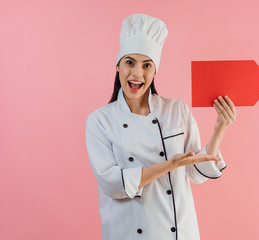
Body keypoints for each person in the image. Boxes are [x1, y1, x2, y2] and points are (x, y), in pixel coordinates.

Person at [85, 13, 237, 240]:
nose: (137, 73)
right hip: (128, 233)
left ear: (155, 71)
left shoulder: (177, 110)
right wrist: (170, 165)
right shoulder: (100, 121)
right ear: (117, 66)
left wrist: (220, 127)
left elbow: (196, 171)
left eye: (147, 65)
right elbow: (114, 183)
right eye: (130, 62)